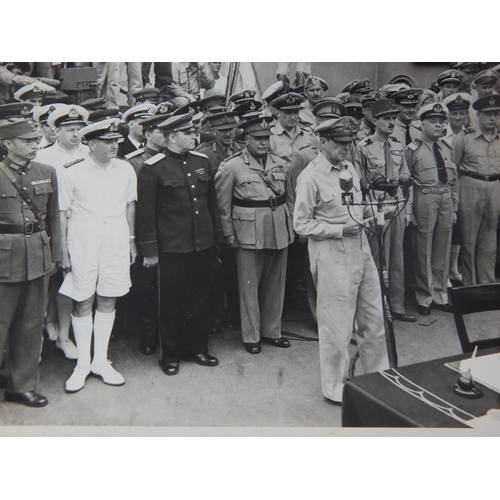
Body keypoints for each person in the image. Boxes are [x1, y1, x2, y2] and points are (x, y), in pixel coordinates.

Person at [293, 117, 389, 404]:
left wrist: (376, 215)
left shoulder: (350, 169)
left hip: (361, 249)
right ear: (322, 142)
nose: (346, 148)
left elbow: (356, 211)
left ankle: (378, 377)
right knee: (337, 326)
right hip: (333, 254)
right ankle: (336, 388)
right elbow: (301, 224)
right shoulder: (310, 177)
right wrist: (338, 229)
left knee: (373, 318)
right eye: (339, 142)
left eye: (349, 142)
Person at [136, 111, 221, 375]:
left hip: (201, 244)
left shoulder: (202, 162)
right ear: (172, 137)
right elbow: (146, 214)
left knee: (200, 299)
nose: (194, 136)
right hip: (171, 247)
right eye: (188, 133)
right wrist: (150, 250)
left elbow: (211, 205)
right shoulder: (152, 168)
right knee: (170, 302)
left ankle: (197, 348)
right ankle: (170, 355)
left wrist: (216, 238)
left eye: (193, 132)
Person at [58, 118, 137, 392]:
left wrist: (131, 241)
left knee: (109, 297)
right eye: (107, 141)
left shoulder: (126, 169)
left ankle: (101, 361)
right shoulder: (71, 170)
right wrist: (63, 251)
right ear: (90, 144)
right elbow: (61, 214)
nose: (114, 145)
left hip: (115, 237)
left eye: (115, 141)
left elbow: (129, 206)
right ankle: (82, 363)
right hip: (83, 239)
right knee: (82, 299)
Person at [215, 115, 293, 354]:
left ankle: (272, 330)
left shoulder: (280, 163)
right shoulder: (232, 166)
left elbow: (289, 197)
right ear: (246, 139)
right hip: (248, 231)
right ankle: (251, 336)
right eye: (258, 138)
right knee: (248, 286)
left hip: (278, 228)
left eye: (266, 138)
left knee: (275, 284)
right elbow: (222, 205)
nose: (263, 142)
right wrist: (228, 233)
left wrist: (292, 224)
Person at [0, 117, 61, 407]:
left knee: (30, 324)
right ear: (8, 144)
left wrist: (56, 255)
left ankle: (21, 385)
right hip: (3, 260)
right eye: (27, 141)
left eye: (36, 141)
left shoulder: (47, 172)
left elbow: (52, 220)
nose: (34, 145)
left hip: (38, 256)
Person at [353, 99, 416, 322]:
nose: (391, 122)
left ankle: (397, 305)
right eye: (386, 119)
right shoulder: (363, 147)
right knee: (377, 256)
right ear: (376, 120)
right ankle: (377, 307)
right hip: (376, 206)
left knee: (396, 255)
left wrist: (407, 209)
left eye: (393, 118)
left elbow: (406, 178)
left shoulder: (398, 145)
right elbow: (360, 182)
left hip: (396, 204)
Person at [36, 105, 90, 360]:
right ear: (56, 130)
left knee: (75, 279)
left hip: (82, 223)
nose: (75, 134)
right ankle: (51, 325)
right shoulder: (44, 157)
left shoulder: (90, 153)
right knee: (55, 278)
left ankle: (65, 335)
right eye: (69, 129)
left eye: (79, 128)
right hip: (52, 223)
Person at [404, 103, 457, 316]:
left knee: (443, 249)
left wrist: (454, 207)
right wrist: (410, 211)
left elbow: (454, 181)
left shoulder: (446, 148)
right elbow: (406, 183)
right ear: (422, 124)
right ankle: (424, 297)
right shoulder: (413, 150)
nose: (438, 125)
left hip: (445, 199)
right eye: (433, 121)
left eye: (441, 121)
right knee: (423, 247)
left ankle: (440, 294)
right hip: (424, 199)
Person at [454, 95, 500, 285]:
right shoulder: (464, 138)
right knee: (468, 241)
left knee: (489, 241)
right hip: (470, 187)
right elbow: (453, 168)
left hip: (494, 188)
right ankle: (470, 287)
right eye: (488, 114)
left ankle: (486, 285)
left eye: (496, 114)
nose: (493, 119)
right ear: (478, 115)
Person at [442, 93, 473, 283]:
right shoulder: (442, 134)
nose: (458, 118)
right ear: (449, 115)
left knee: (459, 227)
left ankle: (453, 268)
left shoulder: (468, 135)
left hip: (462, 184)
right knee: (446, 228)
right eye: (454, 114)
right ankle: (444, 271)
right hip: (445, 184)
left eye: (462, 113)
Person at [269, 92, 313, 162]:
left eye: (295, 112)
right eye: (288, 113)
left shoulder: (307, 134)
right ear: (278, 113)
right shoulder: (270, 136)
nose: (293, 117)